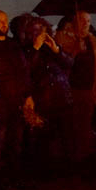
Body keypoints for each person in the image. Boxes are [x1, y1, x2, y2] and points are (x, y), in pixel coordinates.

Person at [0, 10, 32, 190]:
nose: (4, 24)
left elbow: (24, 72)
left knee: (15, 142)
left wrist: (28, 95)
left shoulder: (14, 46)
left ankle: (14, 176)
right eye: (0, 21)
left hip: (15, 102)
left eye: (5, 20)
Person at [24, 17, 73, 178]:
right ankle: (42, 170)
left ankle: (61, 169)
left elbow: (69, 64)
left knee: (61, 134)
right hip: (42, 97)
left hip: (60, 97)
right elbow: (25, 70)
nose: (41, 34)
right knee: (43, 136)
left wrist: (56, 50)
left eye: (43, 30)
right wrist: (35, 48)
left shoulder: (51, 49)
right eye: (37, 31)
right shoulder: (26, 49)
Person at [56, 11, 96, 167]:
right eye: (82, 21)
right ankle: (68, 160)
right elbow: (61, 60)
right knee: (69, 127)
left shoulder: (94, 42)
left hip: (87, 91)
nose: (86, 24)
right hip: (68, 91)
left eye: (88, 21)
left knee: (84, 127)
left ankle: (82, 160)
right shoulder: (64, 38)